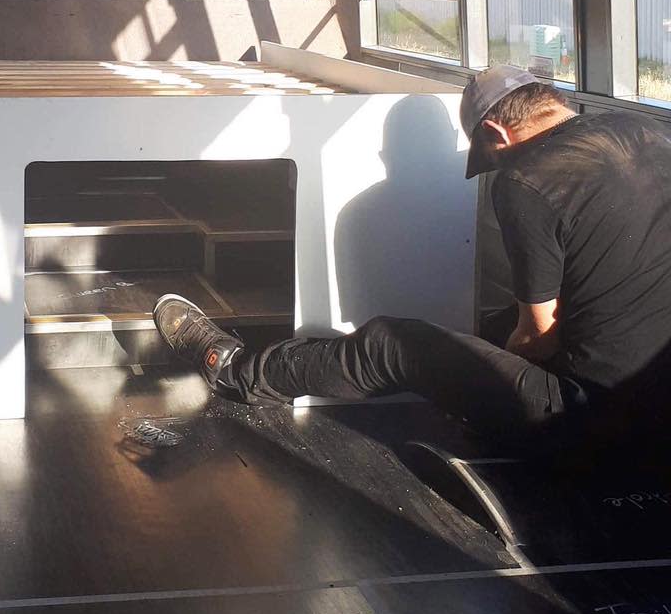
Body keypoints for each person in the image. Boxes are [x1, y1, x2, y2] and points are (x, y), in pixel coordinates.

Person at [152, 65, 671, 447]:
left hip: (591, 421)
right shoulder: (646, 133)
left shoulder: (525, 183)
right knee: (486, 328)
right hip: (658, 399)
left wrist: (477, 354)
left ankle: (233, 368)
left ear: (495, 134)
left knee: (391, 347)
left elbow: (539, 337)